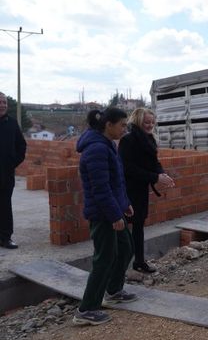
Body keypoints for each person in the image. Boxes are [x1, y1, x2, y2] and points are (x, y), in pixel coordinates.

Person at [73, 108, 137, 326]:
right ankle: (86, 309)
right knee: (104, 260)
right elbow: (100, 189)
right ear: (108, 125)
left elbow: (115, 182)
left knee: (127, 248)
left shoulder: (108, 145)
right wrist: (113, 216)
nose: (124, 129)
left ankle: (114, 289)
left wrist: (125, 204)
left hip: (113, 210)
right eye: (122, 125)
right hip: (103, 215)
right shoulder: (96, 150)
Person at [118, 108, 174, 274]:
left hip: (141, 188)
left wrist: (161, 173)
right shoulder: (128, 140)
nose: (150, 125)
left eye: (152, 122)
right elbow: (128, 169)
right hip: (128, 188)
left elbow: (153, 162)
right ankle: (119, 265)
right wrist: (155, 177)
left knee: (139, 224)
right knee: (123, 227)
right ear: (138, 122)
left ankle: (139, 261)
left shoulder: (149, 139)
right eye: (146, 122)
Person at [0, 92, 27, 249]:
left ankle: (5, 238)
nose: (2, 105)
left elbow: (21, 146)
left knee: (5, 206)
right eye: (0, 102)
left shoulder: (11, 123)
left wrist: (11, 163)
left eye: (4, 102)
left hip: (6, 174)